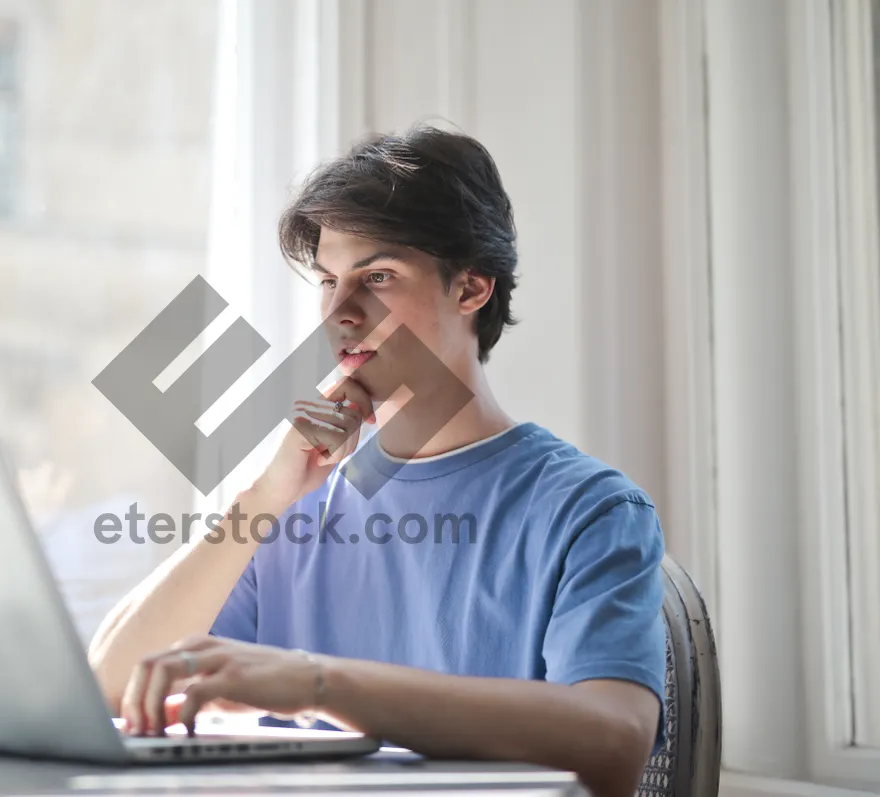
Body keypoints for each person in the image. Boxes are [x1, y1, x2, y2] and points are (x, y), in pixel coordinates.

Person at [87, 124, 666, 797]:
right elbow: (115, 684)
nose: (338, 311)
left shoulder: (589, 509)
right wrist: (263, 498)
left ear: (471, 288)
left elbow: (616, 742)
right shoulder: (292, 507)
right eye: (329, 280)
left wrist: (318, 684)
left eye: (378, 277)